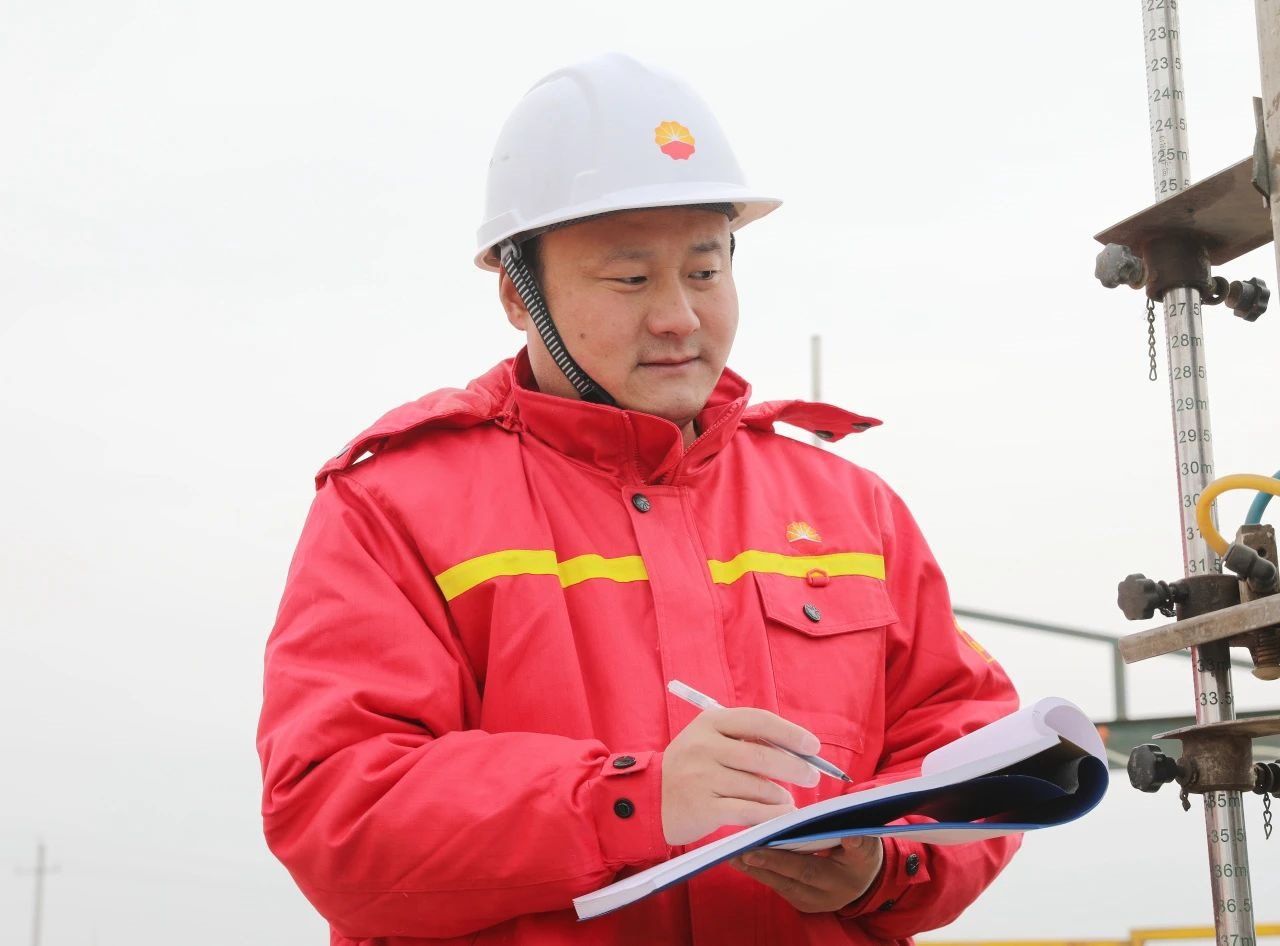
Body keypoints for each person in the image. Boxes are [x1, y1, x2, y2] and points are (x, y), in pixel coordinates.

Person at [257, 53, 1020, 946]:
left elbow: (969, 742)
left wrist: (885, 863)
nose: (679, 318)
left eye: (703, 272)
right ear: (518, 295)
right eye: (630, 279)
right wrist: (631, 803)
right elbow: (337, 812)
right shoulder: (394, 506)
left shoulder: (850, 506)